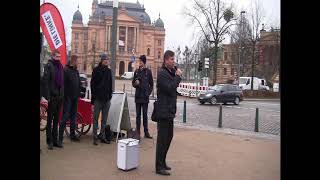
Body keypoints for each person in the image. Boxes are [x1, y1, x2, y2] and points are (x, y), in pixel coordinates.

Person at [155, 50, 182, 175]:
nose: (173, 61)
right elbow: (170, 88)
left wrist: (176, 76)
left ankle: (163, 161)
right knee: (162, 139)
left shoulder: (170, 73)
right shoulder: (162, 74)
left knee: (169, 137)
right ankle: (159, 166)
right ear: (165, 60)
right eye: (171, 59)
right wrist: (177, 77)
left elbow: (173, 88)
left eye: (173, 59)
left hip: (169, 111)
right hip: (163, 111)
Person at [57, 55, 82, 147]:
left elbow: (78, 83)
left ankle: (72, 135)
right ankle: (60, 138)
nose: (78, 63)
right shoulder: (66, 70)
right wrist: (65, 96)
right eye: (77, 61)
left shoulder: (75, 71)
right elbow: (63, 85)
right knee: (65, 117)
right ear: (72, 61)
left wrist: (79, 92)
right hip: (68, 98)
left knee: (73, 117)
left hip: (75, 97)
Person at [43, 49, 64, 150]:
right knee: (50, 120)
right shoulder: (49, 66)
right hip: (52, 97)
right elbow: (45, 83)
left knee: (56, 121)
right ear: (53, 56)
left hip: (59, 97)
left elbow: (62, 83)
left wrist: (62, 95)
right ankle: (49, 141)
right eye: (57, 56)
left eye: (59, 57)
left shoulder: (60, 66)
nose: (58, 58)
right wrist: (48, 97)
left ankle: (55, 141)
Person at [90, 53, 113, 145]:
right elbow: (92, 85)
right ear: (102, 60)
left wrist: (110, 96)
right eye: (105, 60)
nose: (107, 61)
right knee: (95, 119)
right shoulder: (96, 70)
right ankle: (95, 137)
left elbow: (110, 84)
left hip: (106, 100)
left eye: (107, 59)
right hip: (98, 99)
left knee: (104, 120)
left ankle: (102, 136)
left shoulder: (109, 71)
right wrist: (93, 99)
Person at [132, 55, 153, 140]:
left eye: (140, 61)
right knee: (138, 116)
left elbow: (151, 84)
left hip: (145, 97)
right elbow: (133, 83)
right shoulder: (136, 71)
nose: (139, 62)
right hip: (138, 97)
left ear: (144, 62)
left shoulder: (148, 72)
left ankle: (146, 132)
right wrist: (135, 84)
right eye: (139, 61)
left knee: (145, 115)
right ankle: (138, 133)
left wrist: (148, 93)